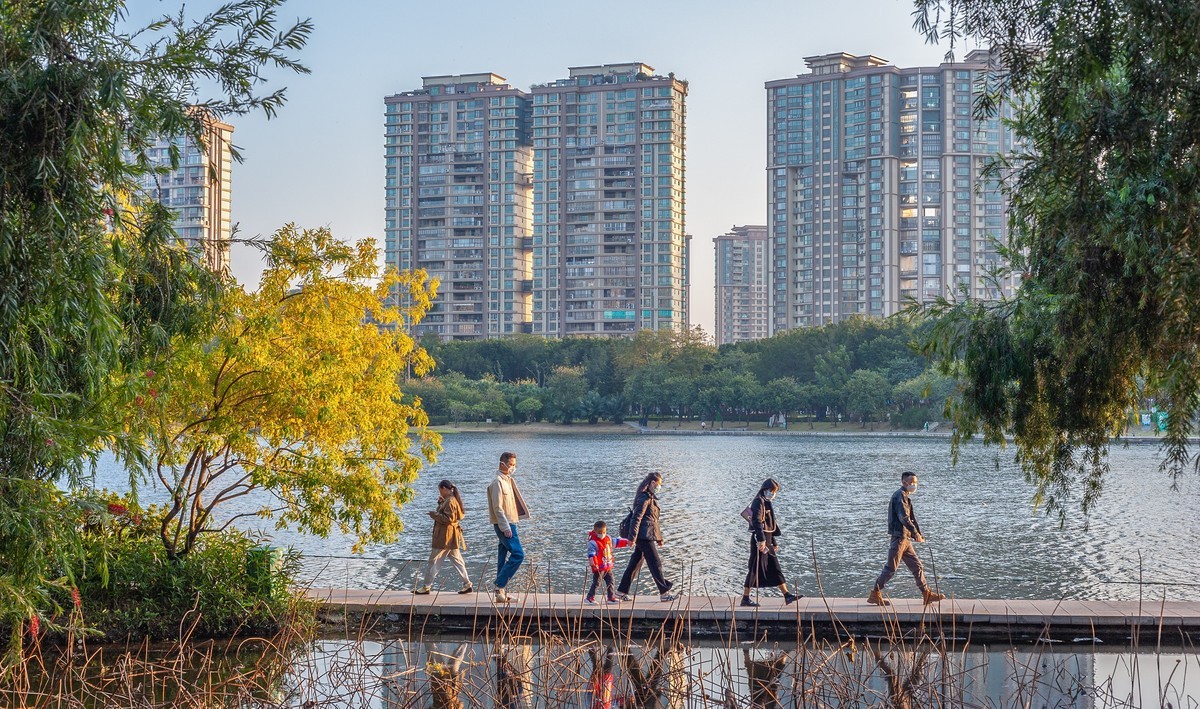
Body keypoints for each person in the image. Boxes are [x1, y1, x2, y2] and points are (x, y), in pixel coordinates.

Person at [867, 471, 946, 606]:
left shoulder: (905, 496)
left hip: (905, 539)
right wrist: (915, 533)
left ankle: (926, 594)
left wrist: (916, 534)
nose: (914, 485)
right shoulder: (900, 496)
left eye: (916, 482)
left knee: (917, 566)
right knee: (890, 568)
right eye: (912, 482)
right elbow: (904, 518)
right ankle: (875, 594)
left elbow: (909, 519)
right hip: (899, 538)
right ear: (904, 482)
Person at [616, 473, 677, 602]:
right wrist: (631, 538)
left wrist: (659, 538)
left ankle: (621, 591)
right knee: (655, 563)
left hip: (647, 534)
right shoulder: (644, 498)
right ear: (653, 483)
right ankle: (664, 593)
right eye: (659, 484)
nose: (660, 486)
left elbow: (653, 521)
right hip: (643, 537)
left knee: (635, 562)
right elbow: (636, 518)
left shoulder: (650, 498)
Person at [741, 479, 801, 607]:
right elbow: (757, 521)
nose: (773, 494)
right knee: (754, 568)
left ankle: (787, 595)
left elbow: (769, 524)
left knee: (774, 566)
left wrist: (772, 541)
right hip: (759, 539)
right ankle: (745, 598)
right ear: (765, 489)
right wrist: (761, 540)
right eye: (772, 491)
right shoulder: (758, 501)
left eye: (775, 492)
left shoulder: (766, 501)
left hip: (766, 539)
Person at [414, 480, 472, 595]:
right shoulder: (451, 500)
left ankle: (426, 586)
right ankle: (467, 584)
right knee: (458, 562)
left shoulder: (450, 501)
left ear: (444, 488)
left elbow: (448, 519)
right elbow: (454, 516)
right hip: (452, 537)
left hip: (444, 537)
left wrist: (434, 515)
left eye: (440, 490)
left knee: (434, 561)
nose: (440, 492)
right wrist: (440, 504)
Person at [486, 451, 530, 604]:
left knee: (502, 556)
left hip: (511, 522)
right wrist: (505, 527)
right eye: (510, 464)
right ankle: (499, 585)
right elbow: (497, 508)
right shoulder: (497, 482)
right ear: (502, 463)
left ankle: (500, 594)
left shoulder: (507, 480)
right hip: (505, 524)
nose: (512, 467)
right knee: (518, 555)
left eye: (514, 465)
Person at [585, 520, 627, 604]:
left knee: (611, 581)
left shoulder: (608, 538)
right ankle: (589, 598)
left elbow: (616, 542)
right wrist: (594, 563)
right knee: (596, 583)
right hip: (599, 567)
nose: (602, 534)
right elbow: (591, 554)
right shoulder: (593, 542)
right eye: (599, 532)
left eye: (603, 532)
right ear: (595, 531)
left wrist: (627, 542)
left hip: (607, 566)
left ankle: (611, 597)